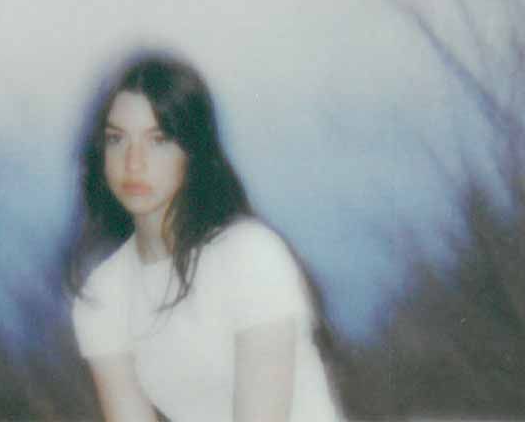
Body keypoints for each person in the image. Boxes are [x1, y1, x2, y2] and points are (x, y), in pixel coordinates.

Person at [68, 50, 343, 422]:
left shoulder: (250, 256)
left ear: (193, 152)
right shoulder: (101, 297)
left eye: (159, 139)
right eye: (117, 139)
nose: (133, 162)